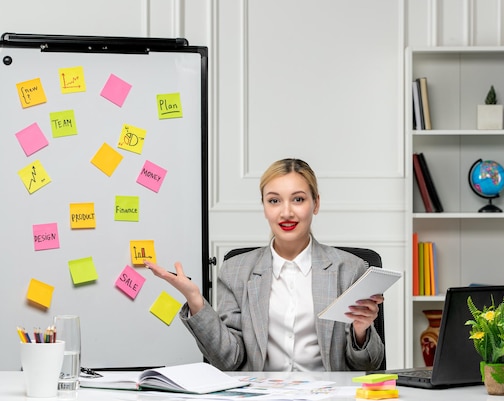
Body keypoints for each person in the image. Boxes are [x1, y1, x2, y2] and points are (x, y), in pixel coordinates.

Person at [145, 158, 384, 371]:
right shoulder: (235, 272)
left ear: (316, 204)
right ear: (264, 207)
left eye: (298, 199)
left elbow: (368, 366)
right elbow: (229, 360)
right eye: (274, 201)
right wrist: (196, 301)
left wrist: (361, 332)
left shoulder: (351, 270)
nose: (286, 212)